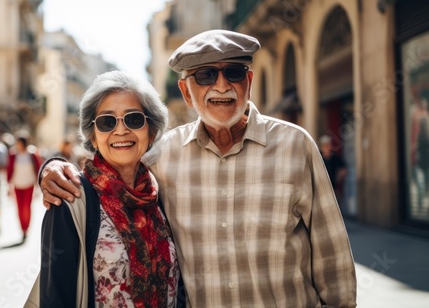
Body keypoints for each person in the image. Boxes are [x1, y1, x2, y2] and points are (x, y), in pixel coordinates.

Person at [39, 30, 357, 307]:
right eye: (205, 75)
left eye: (233, 72)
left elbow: (333, 257)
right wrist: (51, 168)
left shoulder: (295, 145)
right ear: (186, 91)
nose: (221, 85)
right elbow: (113, 165)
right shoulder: (162, 155)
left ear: (248, 81)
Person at [39, 71, 180, 307]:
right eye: (107, 122)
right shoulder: (70, 199)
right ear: (93, 137)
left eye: (134, 119)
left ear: (151, 131)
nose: (121, 130)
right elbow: (55, 297)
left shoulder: (161, 192)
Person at [6, 131, 42, 242]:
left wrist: (39, 184)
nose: (17, 145)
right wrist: (8, 184)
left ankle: (27, 228)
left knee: (26, 207)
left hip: (29, 184)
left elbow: (38, 167)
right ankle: (22, 229)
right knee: (19, 208)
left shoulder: (32, 154)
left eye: (19, 143)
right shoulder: (13, 154)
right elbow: (9, 170)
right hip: (17, 184)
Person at [318, 134, 347, 207]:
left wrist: (339, 177)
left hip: (333, 187)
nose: (327, 148)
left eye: (328, 145)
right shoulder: (318, 157)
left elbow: (344, 168)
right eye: (325, 146)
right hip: (321, 189)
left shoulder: (334, 157)